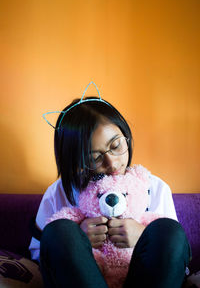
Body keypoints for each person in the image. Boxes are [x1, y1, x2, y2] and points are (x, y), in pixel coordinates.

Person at [29, 83, 191, 288]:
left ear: (127, 137)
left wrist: (142, 237)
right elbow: (38, 253)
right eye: (94, 158)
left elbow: (173, 256)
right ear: (75, 161)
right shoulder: (58, 193)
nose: (112, 163)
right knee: (59, 231)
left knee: (170, 231)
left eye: (116, 146)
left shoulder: (155, 188)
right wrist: (77, 241)